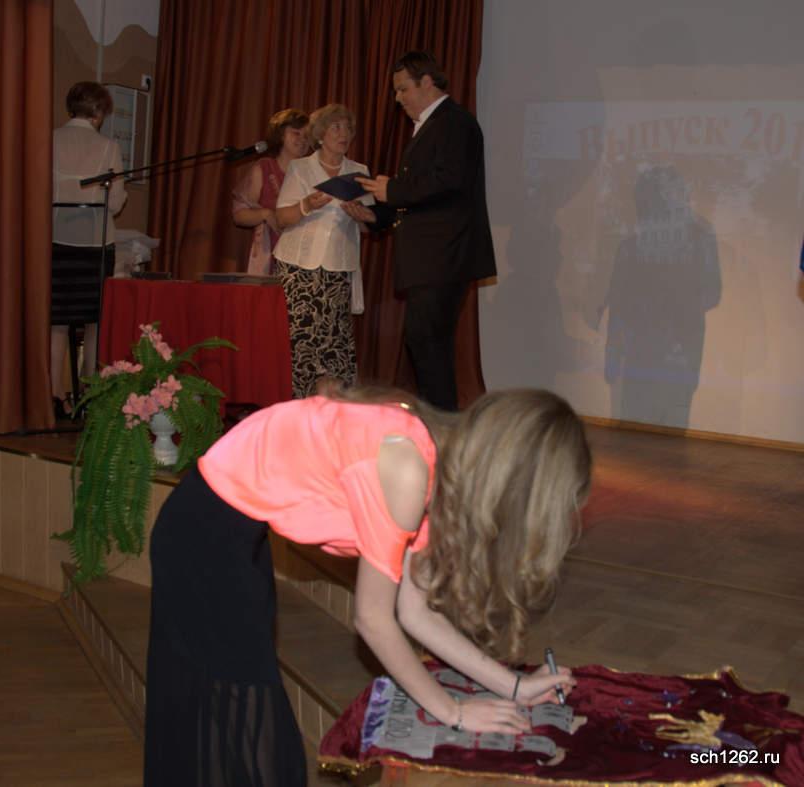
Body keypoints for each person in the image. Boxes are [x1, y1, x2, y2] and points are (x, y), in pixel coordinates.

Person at [143, 386, 592, 787]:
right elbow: (373, 619)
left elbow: (415, 613)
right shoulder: (407, 467)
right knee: (249, 726)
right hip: (204, 538)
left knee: (233, 723)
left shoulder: (436, 460)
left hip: (231, 532)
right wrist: (454, 713)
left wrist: (514, 686)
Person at [358, 51, 496, 411]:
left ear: (427, 82)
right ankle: (438, 424)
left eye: (403, 88)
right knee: (425, 342)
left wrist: (393, 190)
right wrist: (375, 215)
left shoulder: (454, 122)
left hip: (443, 255)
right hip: (433, 256)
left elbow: (448, 181)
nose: (397, 98)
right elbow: (421, 195)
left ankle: (441, 427)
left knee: (428, 341)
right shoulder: (432, 124)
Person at [271, 103, 378, 398]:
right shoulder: (301, 168)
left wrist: (362, 216)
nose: (344, 134)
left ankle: (335, 407)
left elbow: (369, 225)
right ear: (320, 135)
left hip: (337, 269)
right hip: (298, 268)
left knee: (334, 342)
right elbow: (282, 218)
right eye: (336, 128)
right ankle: (298, 405)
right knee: (302, 341)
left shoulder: (359, 172)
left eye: (348, 128)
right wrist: (307, 205)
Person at [50, 81, 127, 418]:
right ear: (99, 112)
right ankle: (89, 394)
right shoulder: (109, 147)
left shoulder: (50, 140)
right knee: (95, 321)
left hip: (56, 241)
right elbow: (117, 202)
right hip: (95, 245)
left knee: (56, 322)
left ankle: (54, 396)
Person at [232, 108, 310, 275]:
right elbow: (239, 215)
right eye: (296, 133)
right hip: (269, 258)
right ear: (280, 135)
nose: (303, 140)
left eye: (306, 136)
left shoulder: (312, 172)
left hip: (304, 258)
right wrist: (265, 214)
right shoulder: (264, 168)